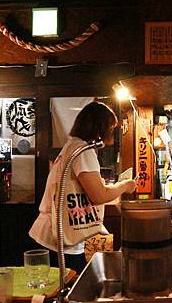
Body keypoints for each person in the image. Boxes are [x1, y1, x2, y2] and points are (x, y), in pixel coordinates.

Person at [29, 101, 136, 273]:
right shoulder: (82, 150)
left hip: (58, 236)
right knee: (65, 291)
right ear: (100, 127)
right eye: (111, 127)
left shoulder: (74, 145)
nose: (112, 132)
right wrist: (124, 185)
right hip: (57, 239)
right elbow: (99, 195)